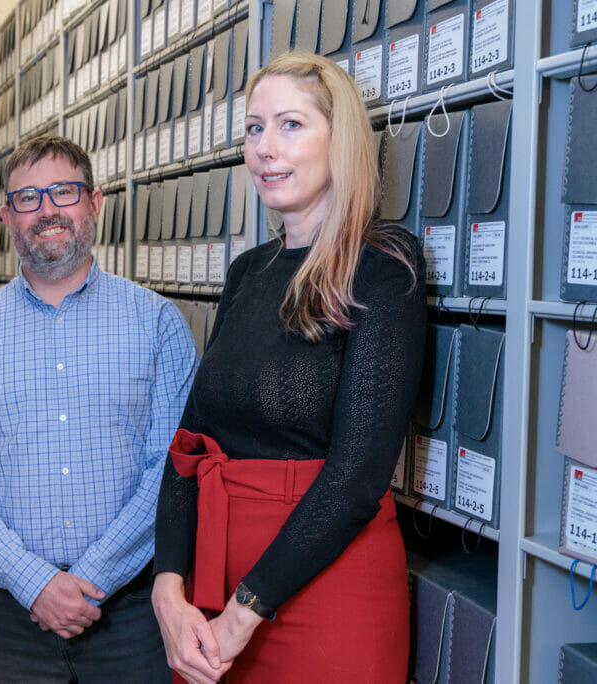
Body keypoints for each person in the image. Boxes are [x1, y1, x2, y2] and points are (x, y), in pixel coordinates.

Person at [151, 52, 426, 683]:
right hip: (213, 585)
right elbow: (189, 446)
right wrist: (169, 590)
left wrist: (243, 614)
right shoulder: (249, 272)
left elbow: (357, 477)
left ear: (342, 139)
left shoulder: (383, 267)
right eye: (253, 128)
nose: (265, 149)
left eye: (291, 125)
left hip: (324, 594)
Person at [0, 135, 197, 683]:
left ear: (95, 203)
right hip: (12, 611)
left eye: (64, 192)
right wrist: (35, 583)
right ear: (8, 217)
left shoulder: (158, 325)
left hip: (132, 610)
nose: (47, 209)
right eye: (27, 198)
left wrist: (92, 578)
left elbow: (172, 469)